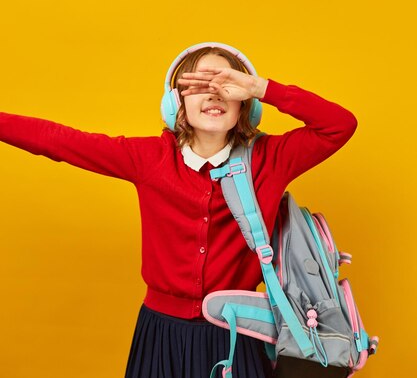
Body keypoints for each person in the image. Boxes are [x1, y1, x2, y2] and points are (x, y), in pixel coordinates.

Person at [0, 42, 357, 378]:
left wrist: (262, 86)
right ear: (175, 104)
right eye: (201, 84)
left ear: (246, 104)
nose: (216, 92)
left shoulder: (271, 160)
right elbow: (58, 140)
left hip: (239, 333)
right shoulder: (149, 158)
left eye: (227, 84)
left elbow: (340, 125)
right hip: (160, 334)